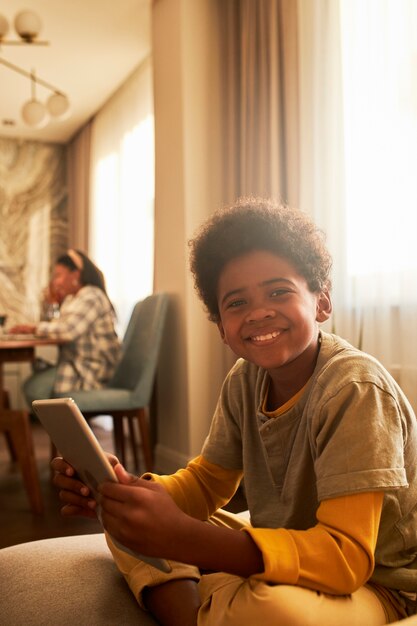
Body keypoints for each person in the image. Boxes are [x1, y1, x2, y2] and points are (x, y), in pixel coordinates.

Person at [52, 199, 417, 626]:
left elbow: (345, 559)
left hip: (378, 582)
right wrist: (130, 492)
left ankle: (190, 604)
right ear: (223, 329)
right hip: (290, 545)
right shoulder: (244, 380)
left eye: (279, 291)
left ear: (321, 303)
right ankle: (203, 607)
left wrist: (187, 540)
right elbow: (207, 483)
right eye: (236, 303)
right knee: (129, 523)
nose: (259, 312)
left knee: (275, 609)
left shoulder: (353, 388)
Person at [10, 249, 121, 404]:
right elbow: (57, 326)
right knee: (35, 385)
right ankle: (60, 425)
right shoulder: (72, 300)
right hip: (76, 365)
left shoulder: (91, 296)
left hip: (91, 371)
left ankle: (62, 426)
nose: (55, 282)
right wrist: (51, 304)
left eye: (58, 275)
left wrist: (34, 328)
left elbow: (67, 331)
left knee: (35, 388)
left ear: (75, 274)